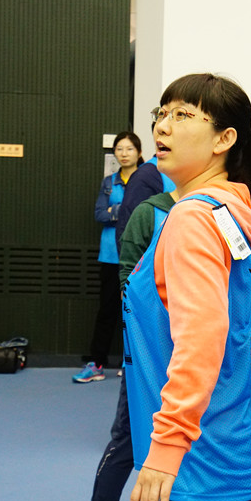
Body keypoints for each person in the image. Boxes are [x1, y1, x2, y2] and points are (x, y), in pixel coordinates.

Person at [124, 73, 251, 501]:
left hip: (206, 468)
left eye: (183, 115)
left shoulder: (192, 219)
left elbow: (202, 338)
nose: (162, 126)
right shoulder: (229, 215)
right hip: (249, 454)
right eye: (161, 113)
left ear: (224, 139)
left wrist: (167, 447)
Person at [81, 189, 177, 501]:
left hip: (197, 357)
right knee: (129, 435)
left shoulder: (218, 212)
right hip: (149, 355)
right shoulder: (150, 213)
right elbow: (128, 283)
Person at [73, 132, 143, 383]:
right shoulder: (109, 182)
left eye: (129, 149)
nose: (124, 154)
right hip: (111, 255)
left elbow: (145, 214)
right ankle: (97, 363)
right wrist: (125, 212)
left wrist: (117, 211)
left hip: (138, 255)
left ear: (139, 152)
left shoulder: (146, 179)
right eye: (119, 149)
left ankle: (132, 363)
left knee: (135, 311)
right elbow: (100, 214)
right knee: (107, 310)